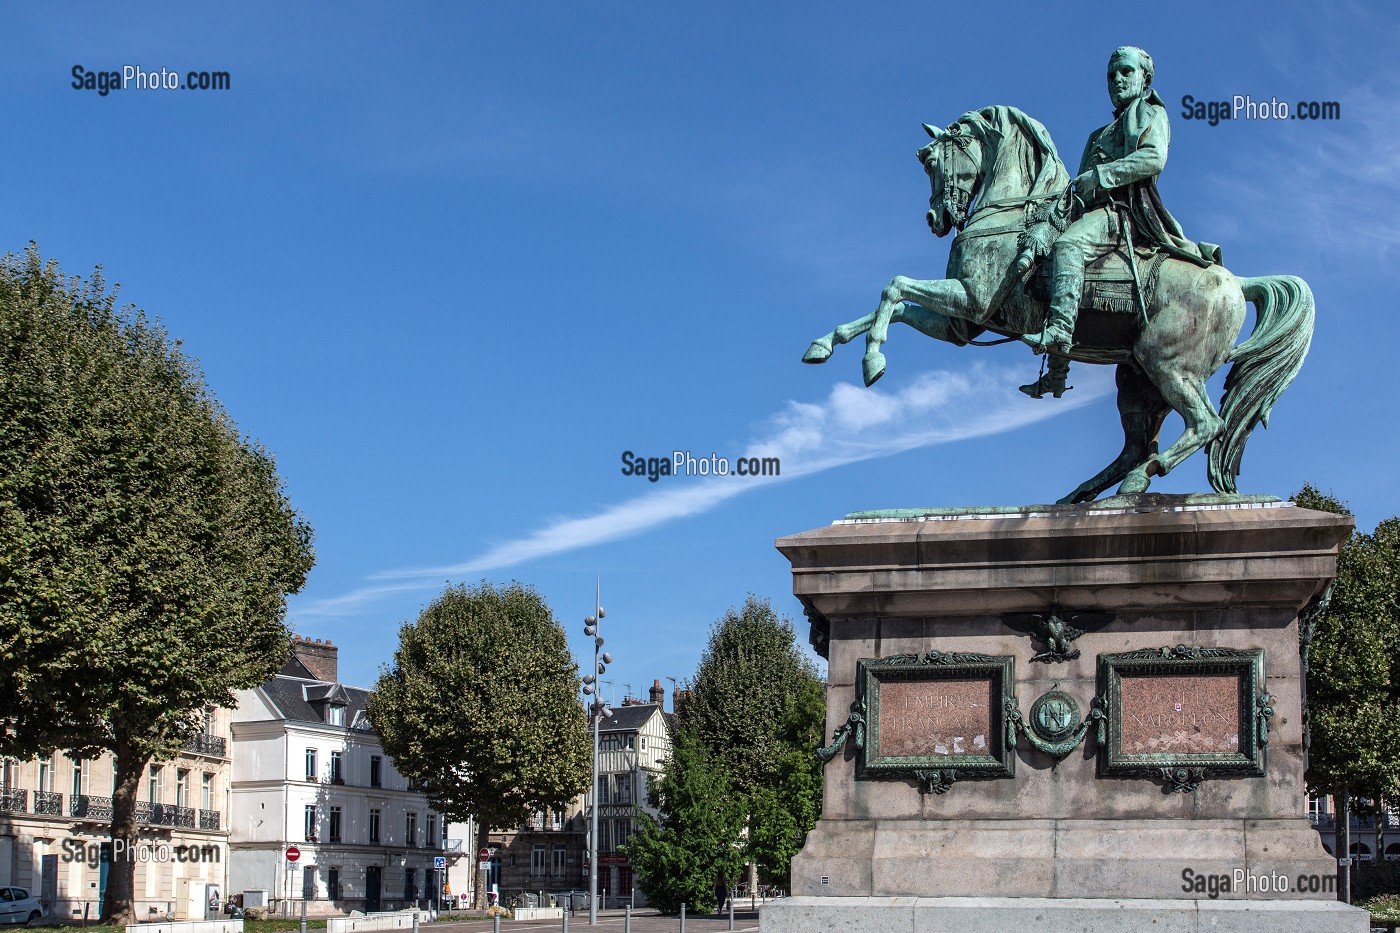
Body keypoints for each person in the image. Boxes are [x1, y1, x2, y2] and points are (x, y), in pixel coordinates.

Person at [1021, 46, 1213, 397]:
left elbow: (1154, 158)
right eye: (1112, 75)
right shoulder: (1097, 135)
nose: (1117, 80)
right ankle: (1057, 372)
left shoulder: (1152, 113)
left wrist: (1101, 176)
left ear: (1144, 78)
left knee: (1069, 246)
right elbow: (1080, 184)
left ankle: (1061, 332)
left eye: (1126, 72)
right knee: (1046, 264)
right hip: (1091, 211)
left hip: (1121, 214)